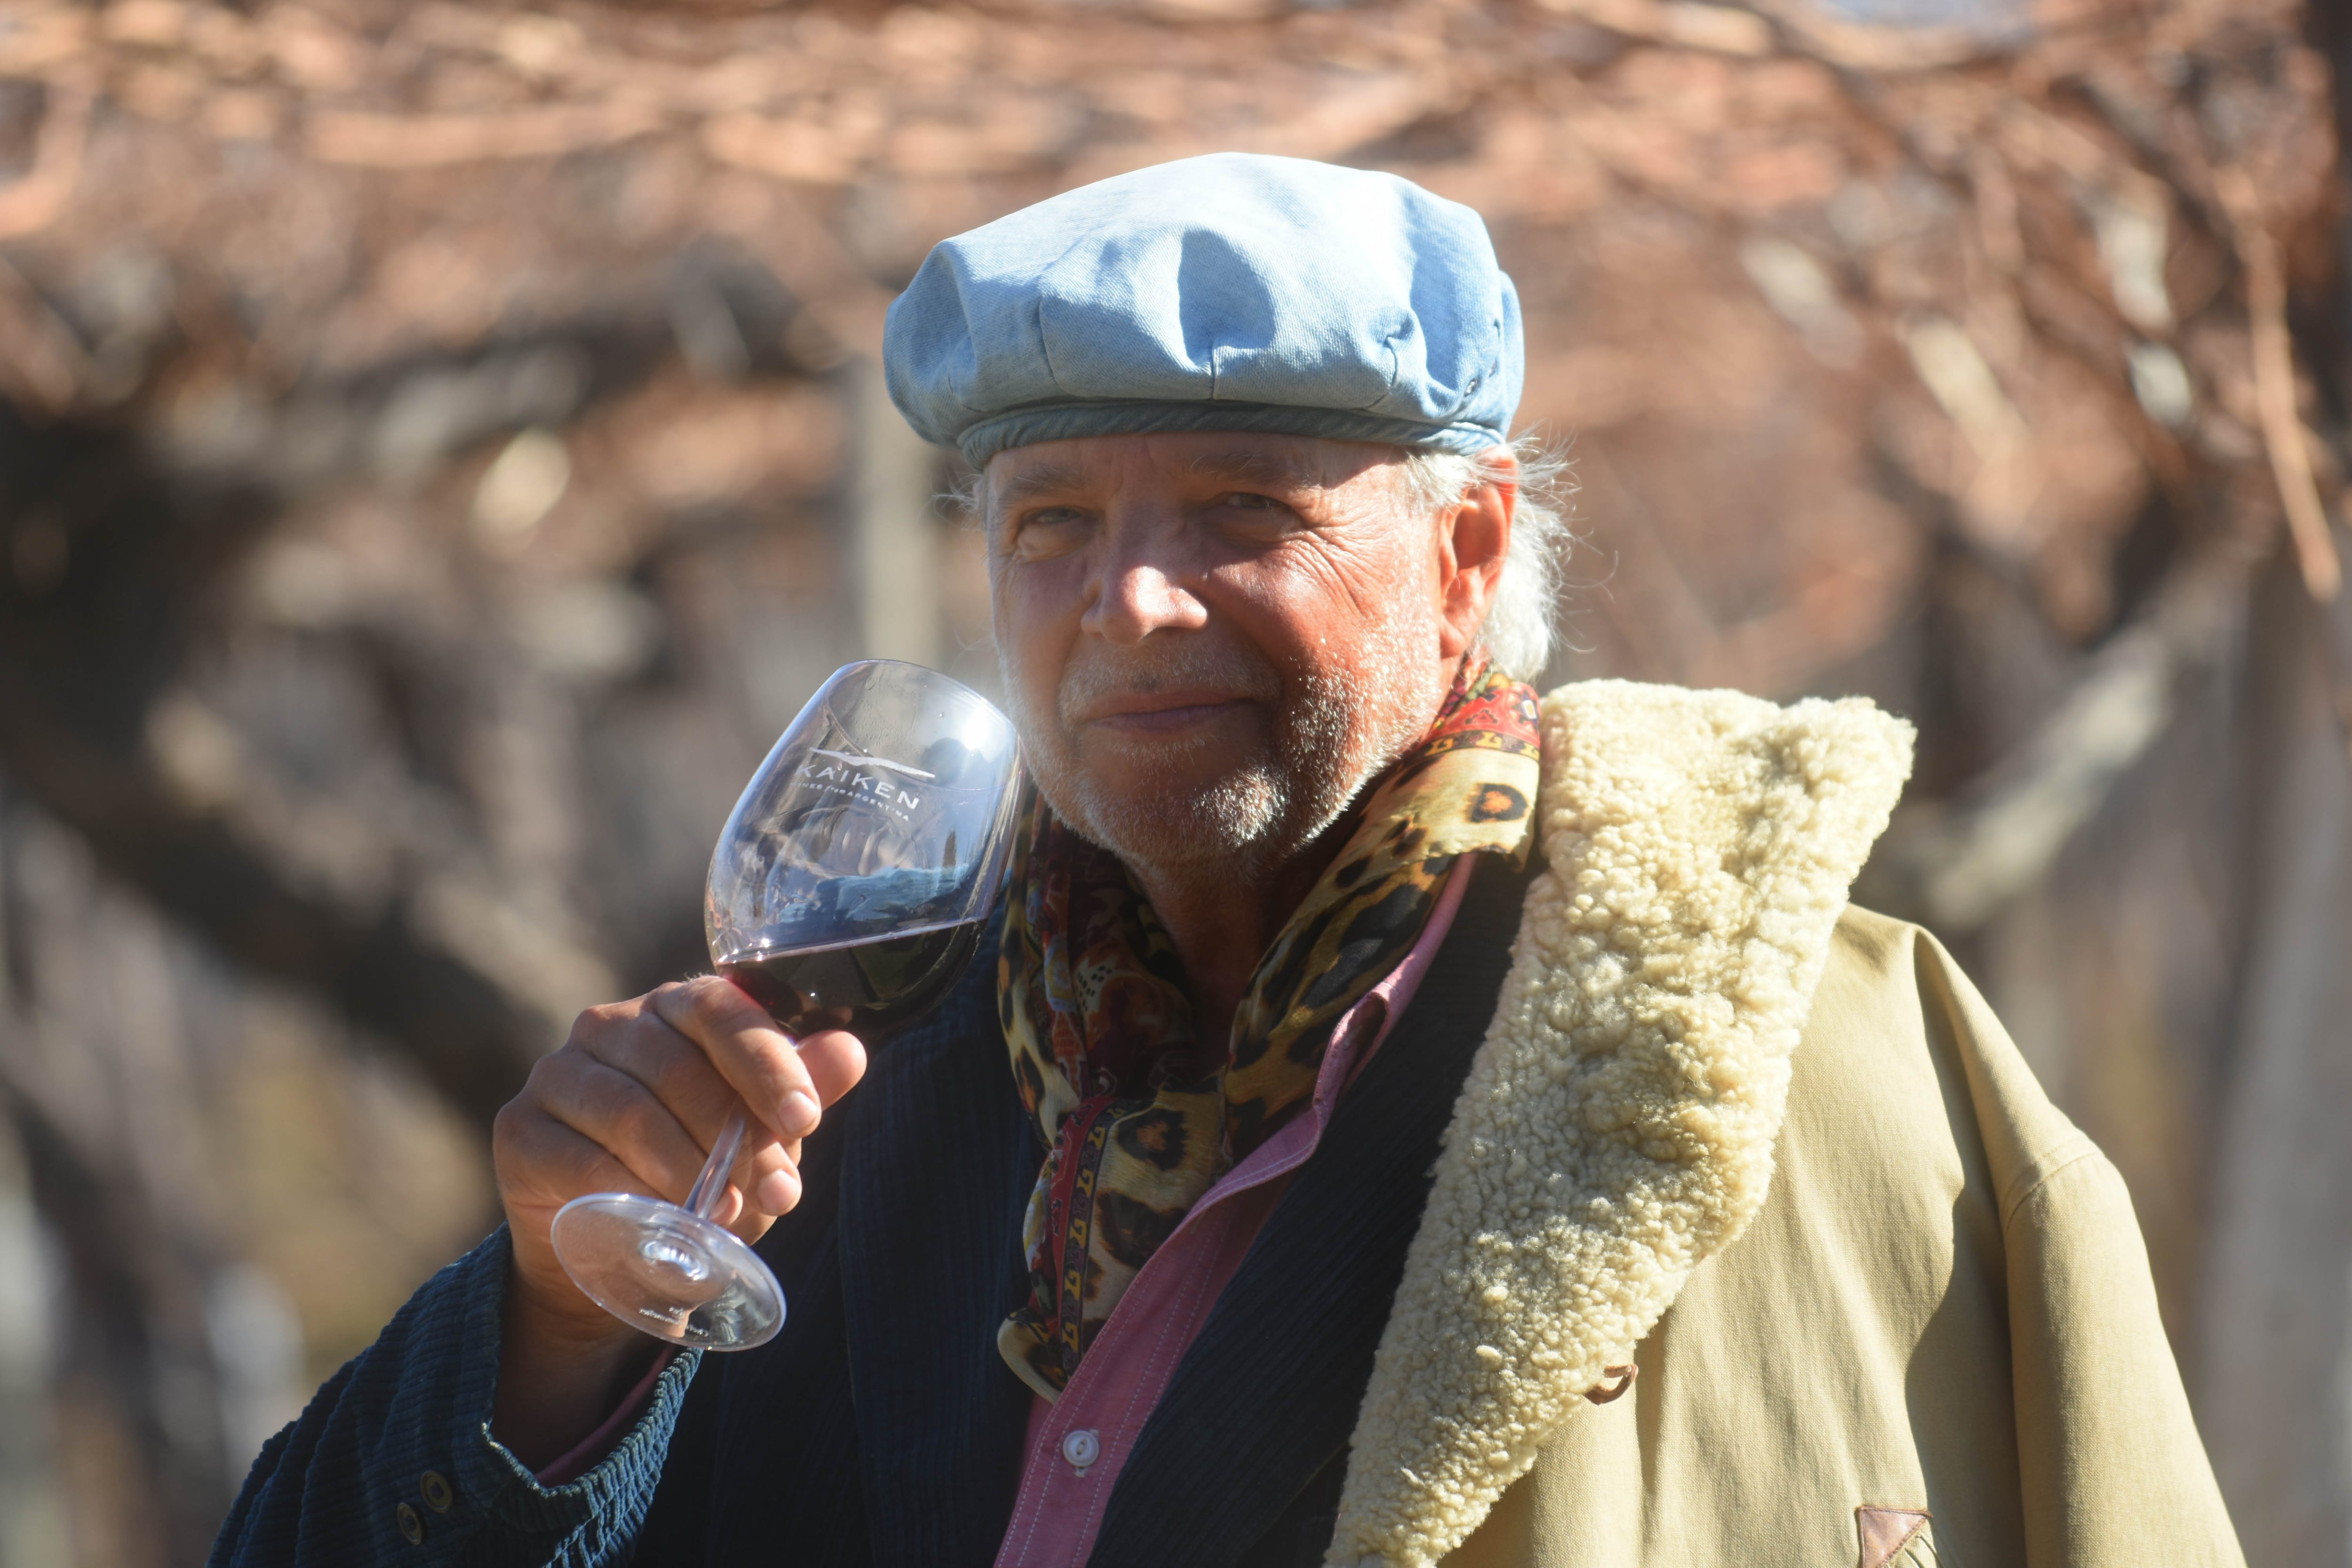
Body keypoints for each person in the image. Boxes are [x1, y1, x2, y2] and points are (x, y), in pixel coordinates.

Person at [209, 154, 2241, 1568]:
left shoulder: (1836, 1071)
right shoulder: (867, 1097)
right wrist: (566, 1330)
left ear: (1462, 564)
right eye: (1051, 529)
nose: (1135, 604)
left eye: (1243, 514)